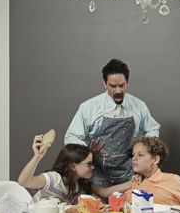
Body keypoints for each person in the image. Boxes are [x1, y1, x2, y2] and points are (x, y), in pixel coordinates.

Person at [64, 59, 160, 189]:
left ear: (127, 82)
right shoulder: (89, 107)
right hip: (96, 173)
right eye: (113, 86)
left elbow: (152, 129)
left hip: (129, 174)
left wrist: (142, 150)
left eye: (122, 85)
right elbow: (71, 137)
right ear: (104, 84)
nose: (118, 90)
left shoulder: (139, 106)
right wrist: (88, 151)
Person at [18, 135, 132, 204]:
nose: (92, 167)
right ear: (73, 166)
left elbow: (105, 192)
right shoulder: (53, 179)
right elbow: (24, 182)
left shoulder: (79, 182)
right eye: (88, 164)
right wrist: (37, 157)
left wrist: (133, 182)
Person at [124, 137, 180, 206]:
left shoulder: (172, 180)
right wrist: (130, 184)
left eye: (140, 155)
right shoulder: (134, 183)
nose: (134, 158)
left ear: (155, 160)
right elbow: (114, 199)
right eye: (133, 155)